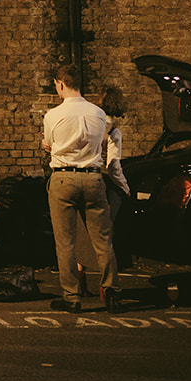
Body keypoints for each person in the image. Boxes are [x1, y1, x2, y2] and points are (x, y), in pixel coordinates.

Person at [43, 64, 122, 313]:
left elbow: (49, 143)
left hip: (63, 178)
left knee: (65, 242)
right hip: (93, 177)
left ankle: (71, 297)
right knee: (103, 240)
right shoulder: (99, 114)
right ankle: (111, 292)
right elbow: (100, 143)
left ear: (61, 84)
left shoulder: (52, 115)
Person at [74, 85, 130, 294]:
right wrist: (125, 188)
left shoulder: (89, 123)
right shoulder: (114, 132)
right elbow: (113, 166)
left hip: (81, 178)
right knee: (105, 236)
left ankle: (79, 279)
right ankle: (106, 288)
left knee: (83, 232)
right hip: (103, 185)